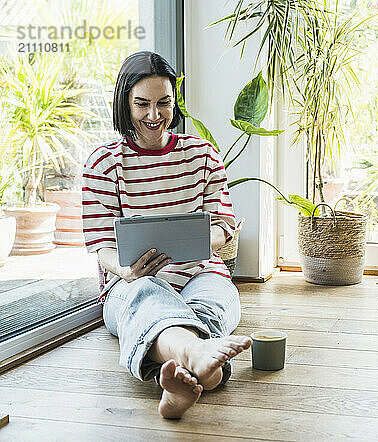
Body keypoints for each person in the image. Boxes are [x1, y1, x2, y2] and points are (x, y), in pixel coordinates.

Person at [81, 51, 252, 419]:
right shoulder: (103, 164)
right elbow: (100, 245)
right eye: (142, 104)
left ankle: (178, 380)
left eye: (164, 103)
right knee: (147, 296)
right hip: (132, 283)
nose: (154, 115)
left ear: (175, 103)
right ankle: (200, 362)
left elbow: (223, 223)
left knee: (215, 301)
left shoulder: (202, 154)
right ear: (124, 104)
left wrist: (204, 242)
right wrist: (126, 272)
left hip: (200, 273)